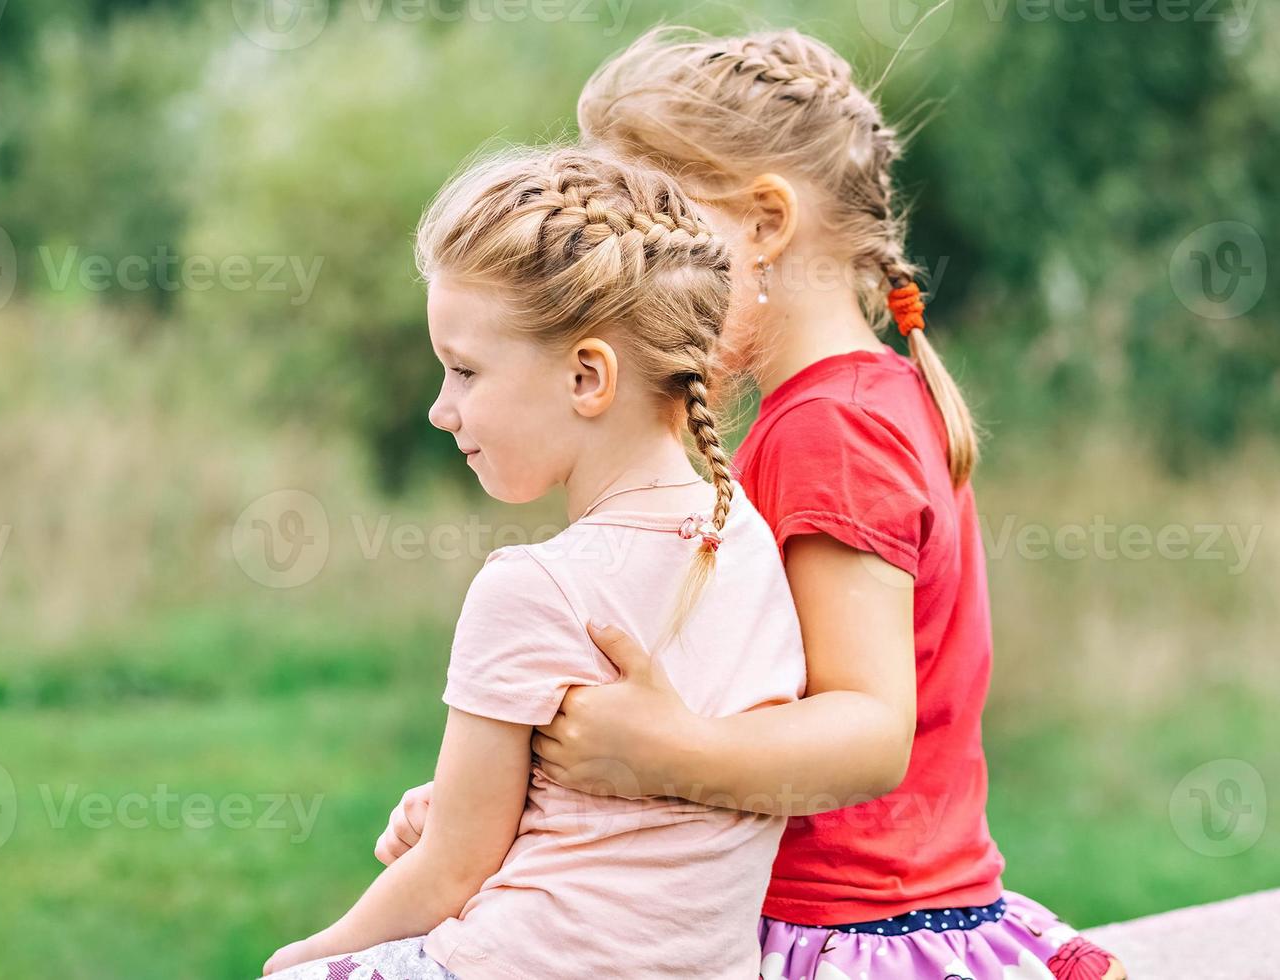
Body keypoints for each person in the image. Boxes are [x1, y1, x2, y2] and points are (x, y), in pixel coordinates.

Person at [374, 27, 1127, 980]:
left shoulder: (832, 431)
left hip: (846, 929)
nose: (627, 274)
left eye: (661, 230)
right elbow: (727, 688)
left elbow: (867, 728)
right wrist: (491, 795)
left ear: (765, 225)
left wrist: (670, 751)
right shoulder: (853, 403)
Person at [262, 145, 807, 979]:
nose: (442, 411)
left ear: (588, 375)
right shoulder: (747, 544)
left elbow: (451, 870)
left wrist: (308, 955)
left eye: (465, 371)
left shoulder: (532, 586)